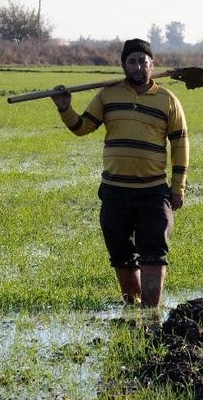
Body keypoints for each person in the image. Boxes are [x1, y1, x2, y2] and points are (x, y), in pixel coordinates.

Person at [51, 38, 188, 307]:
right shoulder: (107, 95)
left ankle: (151, 314)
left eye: (143, 61)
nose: (138, 66)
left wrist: (178, 187)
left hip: (153, 192)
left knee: (154, 253)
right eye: (132, 61)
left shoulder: (167, 100)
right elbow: (82, 128)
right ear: (124, 65)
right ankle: (133, 310)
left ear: (152, 64)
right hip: (115, 192)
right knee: (121, 254)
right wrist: (64, 108)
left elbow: (180, 145)